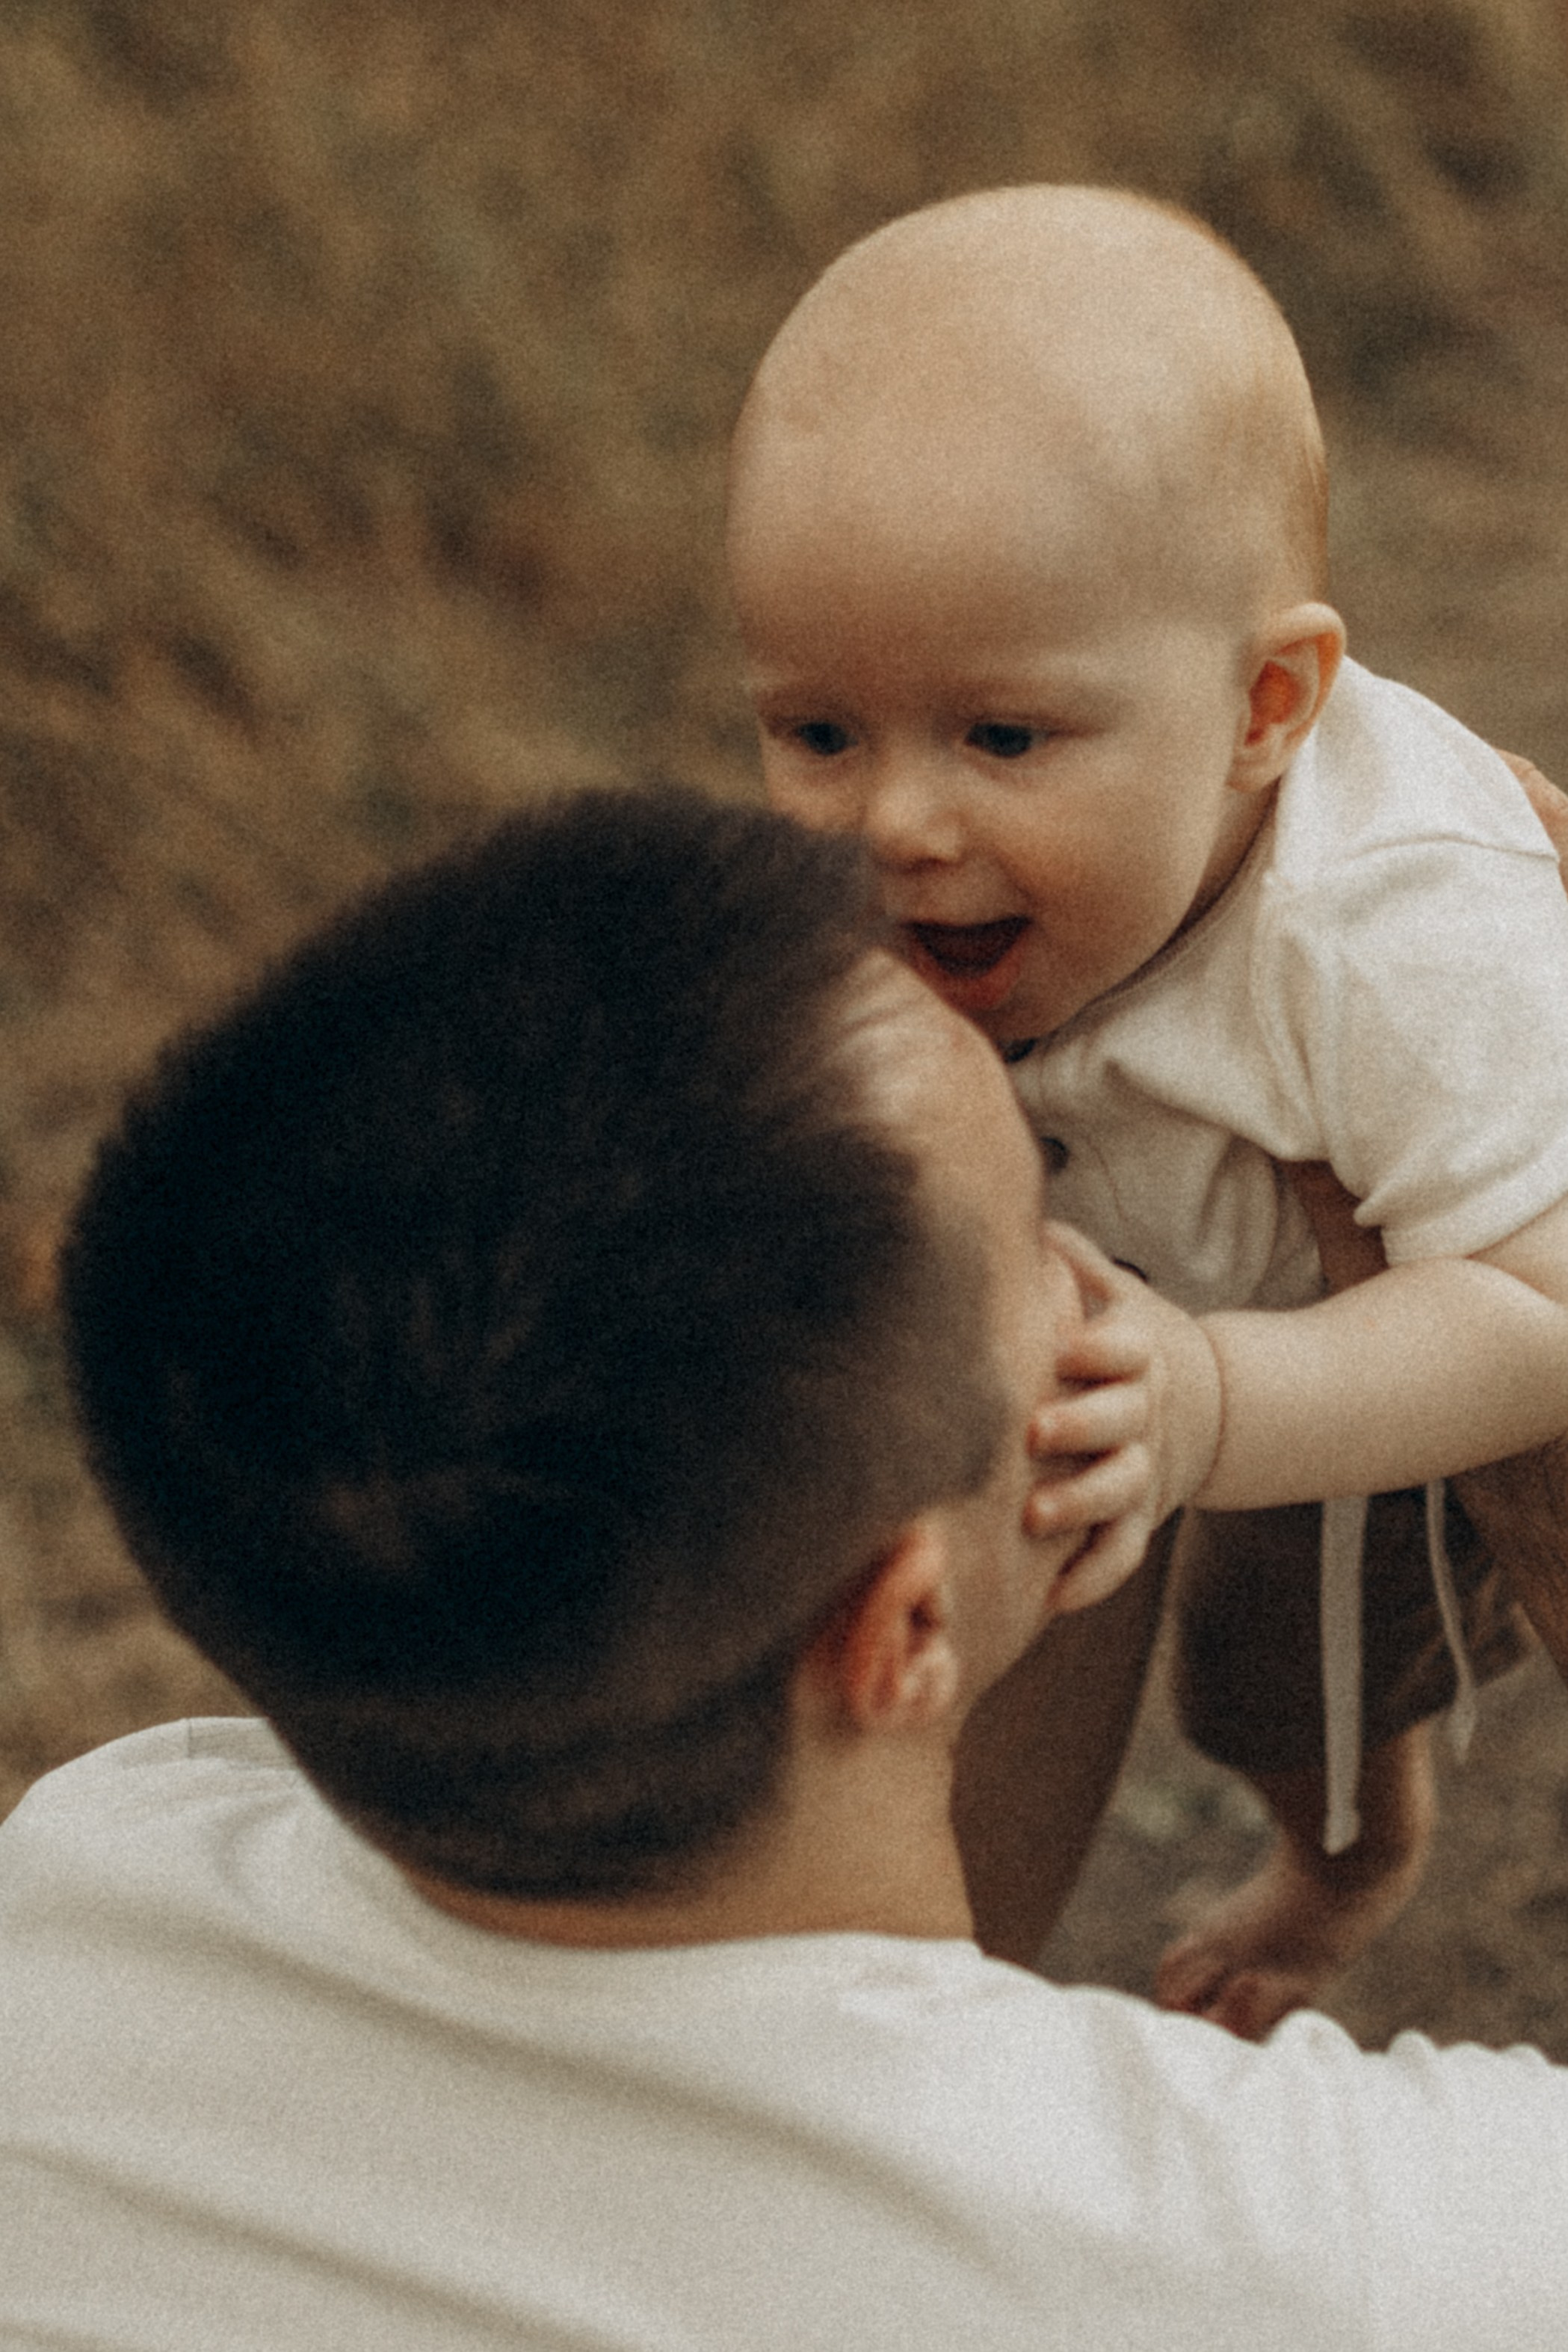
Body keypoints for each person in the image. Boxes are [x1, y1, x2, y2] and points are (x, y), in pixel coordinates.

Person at [7, 782, 1568, 2352]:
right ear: (897, 1628)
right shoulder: (1308, 2257)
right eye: (1043, 1219)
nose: (1106, 1268)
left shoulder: (80, 1889)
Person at [726, 181, 1568, 2035]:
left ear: (1263, 704)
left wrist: (1222, 1398)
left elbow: (1534, 1312)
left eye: (1000, 737)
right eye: (815, 730)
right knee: (1166, 1623)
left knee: (1362, 1628)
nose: (894, 824)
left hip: (1424, 1315)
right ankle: (1059, 1938)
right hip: (1173, 1307)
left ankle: (1350, 1863)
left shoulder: (1395, 933)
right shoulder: (933, 881)